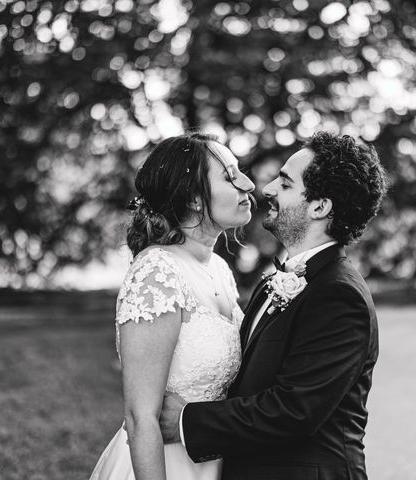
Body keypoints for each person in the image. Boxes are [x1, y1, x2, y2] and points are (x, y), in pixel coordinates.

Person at [159, 131, 387, 480]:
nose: (265, 190)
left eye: (284, 183)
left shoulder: (339, 295)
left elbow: (294, 410)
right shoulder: (275, 283)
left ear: (319, 206)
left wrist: (186, 420)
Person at [89, 132, 255, 480]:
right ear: (194, 198)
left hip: (212, 457)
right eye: (229, 176)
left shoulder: (219, 270)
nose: (249, 184)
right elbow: (140, 416)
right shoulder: (158, 271)